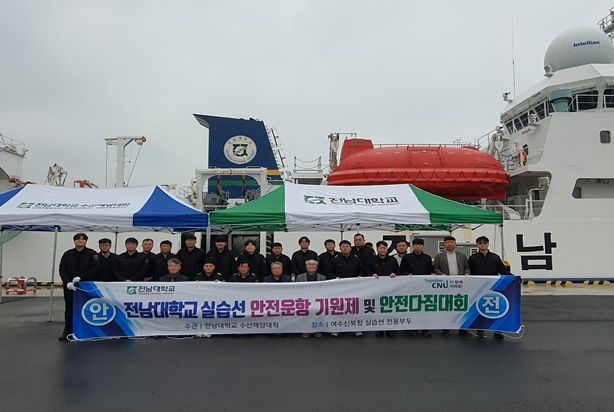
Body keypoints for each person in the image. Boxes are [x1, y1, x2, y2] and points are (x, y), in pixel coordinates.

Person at [469, 236, 511, 340]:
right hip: (479, 288)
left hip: (494, 287)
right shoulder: (473, 258)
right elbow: (470, 273)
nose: (482, 245)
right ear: (477, 245)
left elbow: (503, 271)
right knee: (479, 308)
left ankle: (497, 330)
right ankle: (480, 329)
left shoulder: (495, 257)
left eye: (485, 243)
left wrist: (514, 278)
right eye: (480, 243)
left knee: (496, 309)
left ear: (488, 244)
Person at [58, 233, 97, 341]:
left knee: (86, 308)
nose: (80, 241)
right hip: (70, 287)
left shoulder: (92, 253)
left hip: (85, 286)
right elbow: (62, 269)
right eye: (78, 239)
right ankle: (68, 330)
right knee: (69, 309)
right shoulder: (67, 254)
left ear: (86, 241)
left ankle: (86, 331)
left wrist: (81, 277)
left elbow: (95, 268)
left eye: (83, 239)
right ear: (74, 241)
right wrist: (67, 282)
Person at [433, 236, 470, 336]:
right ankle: (446, 328)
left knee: (461, 307)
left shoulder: (462, 255)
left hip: (460, 285)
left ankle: (462, 329)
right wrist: (442, 275)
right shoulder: (439, 255)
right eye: (447, 242)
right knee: (446, 307)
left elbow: (467, 268)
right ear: (444, 244)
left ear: (455, 243)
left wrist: (467, 274)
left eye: (451, 242)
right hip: (446, 286)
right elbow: (435, 268)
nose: (449, 244)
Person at [400, 238, 434, 337]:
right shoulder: (407, 257)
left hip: (425, 287)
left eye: (420, 245)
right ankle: (413, 328)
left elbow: (430, 270)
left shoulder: (427, 258)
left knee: (424, 308)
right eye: (415, 245)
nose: (417, 246)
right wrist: (408, 275)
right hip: (411, 287)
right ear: (413, 246)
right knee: (413, 308)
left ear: (423, 246)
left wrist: (432, 274)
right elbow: (402, 271)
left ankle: (425, 329)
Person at [331, 240, 364, 337]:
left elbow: (362, 271)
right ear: (340, 248)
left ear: (350, 248)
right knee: (339, 309)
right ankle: (337, 328)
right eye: (343, 246)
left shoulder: (356, 259)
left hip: (354, 288)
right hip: (339, 288)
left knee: (354, 309)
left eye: (347, 246)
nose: (345, 248)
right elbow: (330, 272)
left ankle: (356, 328)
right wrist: (335, 278)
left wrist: (360, 276)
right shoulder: (335, 259)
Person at [367, 241, 399, 337]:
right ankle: (379, 328)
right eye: (380, 248)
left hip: (390, 288)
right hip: (376, 288)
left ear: (387, 249)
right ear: (377, 249)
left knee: (389, 308)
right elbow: (366, 271)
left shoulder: (392, 260)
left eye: (384, 248)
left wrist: (395, 273)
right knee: (378, 308)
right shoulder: (371, 260)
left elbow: (398, 270)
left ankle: (389, 329)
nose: (382, 250)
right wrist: (372, 274)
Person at [296, 260, 325, 338]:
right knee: (304, 311)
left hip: (318, 300)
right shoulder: (299, 277)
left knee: (318, 311)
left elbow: (324, 291)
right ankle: (306, 330)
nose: (311, 266)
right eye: (309, 264)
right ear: (306, 266)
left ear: (317, 267)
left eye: (313, 264)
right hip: (304, 300)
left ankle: (317, 330)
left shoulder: (322, 277)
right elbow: (297, 290)